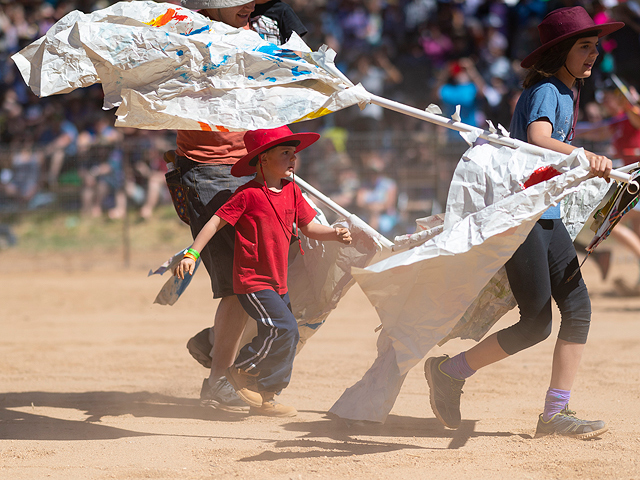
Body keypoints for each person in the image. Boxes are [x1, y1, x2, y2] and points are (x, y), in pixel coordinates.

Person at [424, 6, 622, 440]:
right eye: (584, 46)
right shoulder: (549, 89)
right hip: (523, 216)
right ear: (561, 52)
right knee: (536, 323)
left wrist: (580, 162)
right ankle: (449, 372)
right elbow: (536, 139)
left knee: (577, 311)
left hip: (543, 214)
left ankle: (555, 413)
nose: (593, 54)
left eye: (594, 46)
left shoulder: (567, 91)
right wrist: (583, 156)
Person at [177, 0, 310, 413]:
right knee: (245, 281)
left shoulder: (256, 34)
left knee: (272, 276)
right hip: (207, 170)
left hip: (254, 164)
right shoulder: (179, 37)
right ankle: (224, 378)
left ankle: (223, 354)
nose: (250, 4)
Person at [174, 126, 352, 416]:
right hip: (253, 281)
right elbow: (215, 223)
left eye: (293, 154)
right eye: (285, 154)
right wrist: (192, 253)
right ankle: (239, 371)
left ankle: (267, 395)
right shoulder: (248, 195)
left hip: (277, 282)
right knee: (285, 328)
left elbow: (308, 227)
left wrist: (334, 233)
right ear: (263, 160)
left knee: (289, 335)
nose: (293, 160)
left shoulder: (292, 191)